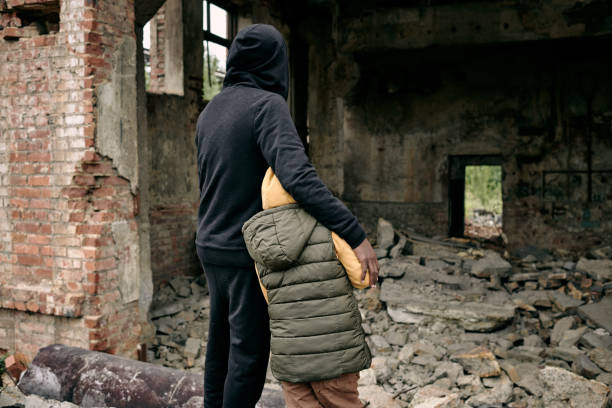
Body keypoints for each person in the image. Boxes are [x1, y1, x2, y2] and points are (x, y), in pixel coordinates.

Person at [195, 23, 379, 407]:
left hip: (210, 246)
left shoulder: (211, 110)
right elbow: (299, 178)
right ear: (275, 63)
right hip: (248, 254)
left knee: (220, 351)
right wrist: (355, 234)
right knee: (247, 359)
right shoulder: (266, 106)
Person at [243, 168, 374, 407]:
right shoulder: (327, 225)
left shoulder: (258, 243)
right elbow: (362, 279)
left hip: (291, 360)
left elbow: (269, 297)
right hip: (336, 356)